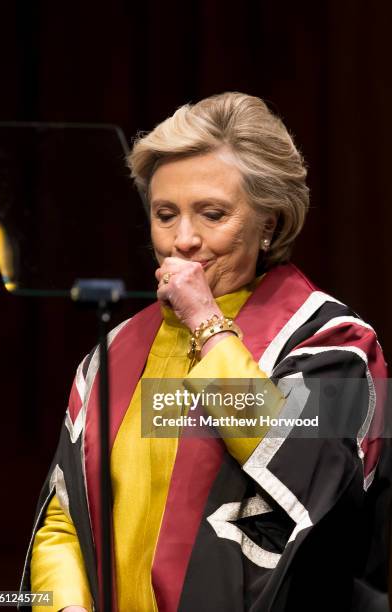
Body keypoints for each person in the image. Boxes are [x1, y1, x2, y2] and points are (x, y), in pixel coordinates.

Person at [20, 92, 388, 611]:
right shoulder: (112, 350)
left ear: (270, 225)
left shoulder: (340, 343)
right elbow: (64, 518)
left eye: (212, 214)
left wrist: (206, 323)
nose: (182, 239)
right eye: (165, 214)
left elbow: (317, 480)